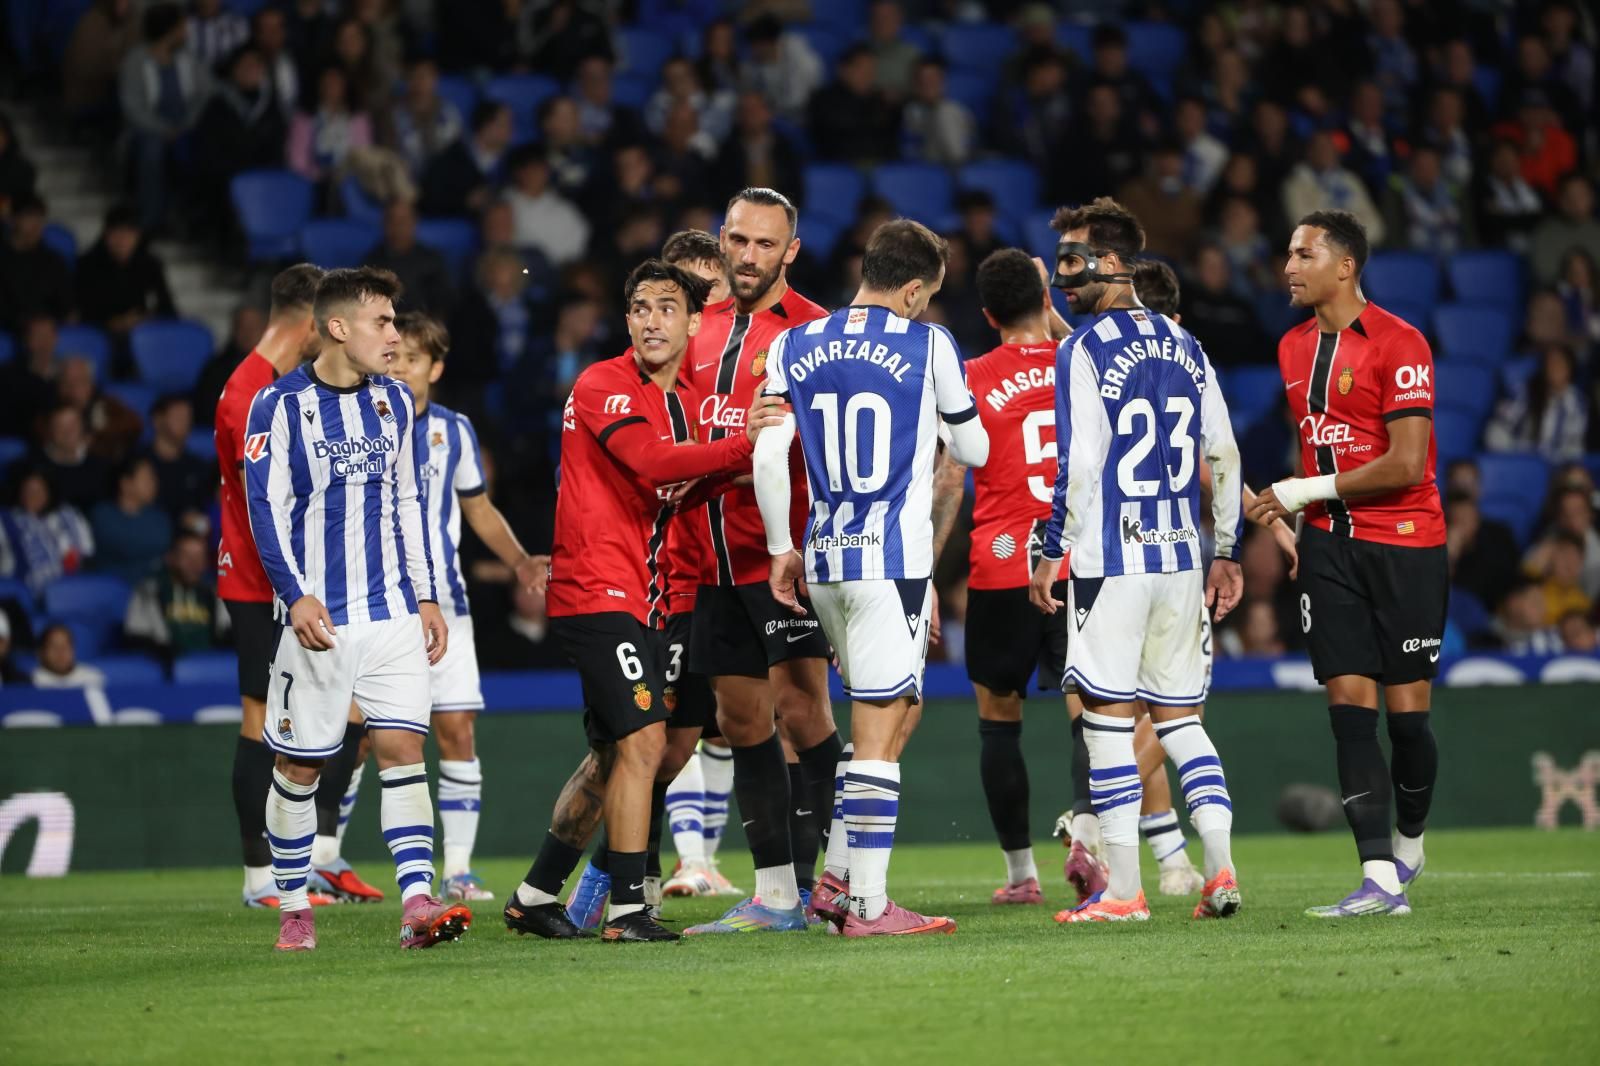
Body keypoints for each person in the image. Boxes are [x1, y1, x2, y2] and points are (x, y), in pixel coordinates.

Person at [502, 260, 774, 944]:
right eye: (640, 308)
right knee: (644, 740)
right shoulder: (604, 384)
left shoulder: (679, 402)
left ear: (692, 322)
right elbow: (654, 466)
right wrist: (744, 443)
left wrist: (751, 461)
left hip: (647, 596)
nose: (652, 320)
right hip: (597, 591)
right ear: (626, 321)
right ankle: (627, 908)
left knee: (614, 756)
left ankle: (536, 894)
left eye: (666, 308)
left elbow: (678, 489)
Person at [754, 218, 987, 936]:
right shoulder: (929, 343)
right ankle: (868, 906)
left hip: (821, 560)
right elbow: (973, 446)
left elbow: (767, 457)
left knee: (892, 714)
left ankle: (836, 874)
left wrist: (778, 547)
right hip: (891, 563)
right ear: (915, 289)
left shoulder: (793, 343)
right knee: (884, 729)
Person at [1026, 199, 1245, 925]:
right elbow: (1225, 453)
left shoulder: (1082, 351)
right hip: (1182, 558)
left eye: (1072, 260)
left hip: (1113, 560)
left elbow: (1082, 464)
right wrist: (1226, 550)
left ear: (1112, 264)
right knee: (1183, 723)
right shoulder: (1186, 345)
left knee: (1108, 725)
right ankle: (1221, 872)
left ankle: (1124, 891)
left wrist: (1051, 549)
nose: (1062, 276)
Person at [245, 266, 464, 953]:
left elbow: (406, 505)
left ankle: (418, 903)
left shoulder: (394, 403)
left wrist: (425, 593)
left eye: (395, 321)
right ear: (338, 328)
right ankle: (292, 907)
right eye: (383, 322)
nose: (394, 334)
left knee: (403, 749)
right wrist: (294, 594)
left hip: (394, 611)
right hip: (319, 622)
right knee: (300, 770)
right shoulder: (278, 407)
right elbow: (265, 509)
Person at [1248, 209, 1446, 919]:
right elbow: (1319, 450)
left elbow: (1407, 462)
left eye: (1304, 253)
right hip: (1330, 548)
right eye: (1288, 252)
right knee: (1349, 714)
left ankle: (1410, 839)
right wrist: (1298, 515)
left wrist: (1301, 491)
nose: (1289, 266)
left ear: (1346, 266)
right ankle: (1379, 881)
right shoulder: (1292, 348)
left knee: (1408, 723)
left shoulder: (1401, 342)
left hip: (1407, 546)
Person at [673, 189, 843, 937]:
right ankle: (776, 895)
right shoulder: (692, 329)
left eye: (763, 245)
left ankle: (843, 881)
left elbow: (835, 448)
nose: (746, 256)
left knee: (804, 714)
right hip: (707, 560)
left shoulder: (816, 332)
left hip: (784, 558)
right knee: (742, 720)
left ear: (791, 252)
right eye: (736, 239)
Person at [381, 312, 548, 902]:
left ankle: (457, 868)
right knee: (359, 738)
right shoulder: (362, 420)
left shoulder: (453, 431)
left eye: (413, 359)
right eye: (394, 355)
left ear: (436, 367)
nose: (400, 366)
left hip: (444, 604)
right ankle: (324, 858)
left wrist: (522, 560)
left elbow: (477, 508)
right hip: (374, 605)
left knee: (457, 729)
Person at [927, 247, 1071, 904]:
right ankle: (1096, 845)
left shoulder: (972, 376)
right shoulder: (1085, 362)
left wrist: (925, 574)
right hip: (1081, 563)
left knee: (998, 720)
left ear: (986, 314)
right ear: (1046, 299)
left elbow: (950, 480)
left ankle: (1021, 876)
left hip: (1003, 568)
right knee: (1094, 714)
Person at [214, 264, 344, 911]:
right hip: (256, 581)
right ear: (308, 322)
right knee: (261, 722)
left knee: (314, 720)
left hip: (279, 581)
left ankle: (306, 860)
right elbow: (268, 501)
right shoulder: (249, 395)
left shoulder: (267, 385)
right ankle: (260, 876)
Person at [118, 3, 210, 232]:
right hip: (147, 129)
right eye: (182, 26)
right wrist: (163, 129)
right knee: (152, 149)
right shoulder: (135, 61)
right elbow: (133, 108)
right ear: (170, 29)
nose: (186, 31)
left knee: (205, 147)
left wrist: (188, 123)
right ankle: (152, 218)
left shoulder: (187, 57)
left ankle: (191, 219)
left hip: (186, 127)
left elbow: (205, 93)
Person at [74, 205, 177, 341]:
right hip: (100, 336)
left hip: (144, 336)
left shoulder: (150, 264)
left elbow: (168, 309)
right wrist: (116, 323)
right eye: (116, 233)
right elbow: (82, 313)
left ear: (138, 236)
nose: (122, 240)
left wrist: (147, 319)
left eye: (128, 233)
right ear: (106, 235)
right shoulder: (87, 265)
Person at [124, 529, 222, 661]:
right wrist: (160, 650)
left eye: (200, 557)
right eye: (187, 556)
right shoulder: (148, 593)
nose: (194, 563)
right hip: (163, 672)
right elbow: (135, 636)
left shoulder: (216, 594)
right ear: (170, 558)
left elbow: (228, 633)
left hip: (210, 669)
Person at [0, 471, 95, 598]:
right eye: (28, 490)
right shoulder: (6, 519)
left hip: (68, 591)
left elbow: (85, 554)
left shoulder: (68, 516)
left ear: (49, 491)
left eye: (39, 490)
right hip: (21, 592)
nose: (33, 496)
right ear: (19, 492)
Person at [364, 199, 455, 317]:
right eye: (391, 220)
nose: (397, 227)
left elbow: (444, 305)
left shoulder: (432, 260)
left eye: (403, 221)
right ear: (384, 224)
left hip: (423, 328)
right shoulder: (372, 262)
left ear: (414, 222)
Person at [89, 455, 170, 584]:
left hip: (152, 587)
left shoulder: (159, 517)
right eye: (147, 479)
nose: (154, 483)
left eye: (154, 478)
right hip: (110, 585)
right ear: (126, 484)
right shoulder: (103, 514)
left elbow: (163, 542)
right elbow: (125, 546)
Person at [0, 195, 73, 329]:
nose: (36, 225)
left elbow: (65, 305)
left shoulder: (53, 260)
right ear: (13, 220)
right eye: (29, 218)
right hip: (13, 328)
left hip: (49, 329)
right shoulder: (3, 260)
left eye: (40, 219)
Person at [144, 395, 213, 525]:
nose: (185, 422)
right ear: (157, 420)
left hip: (188, 538)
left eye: (188, 417)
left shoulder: (198, 467)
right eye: (178, 417)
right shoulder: (140, 462)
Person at [32, 623, 107, 689]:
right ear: (41, 652)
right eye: (54, 646)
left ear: (73, 649)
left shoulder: (93, 679)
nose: (60, 652)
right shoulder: (32, 682)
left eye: (65, 646)